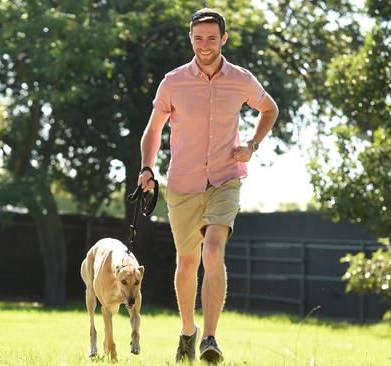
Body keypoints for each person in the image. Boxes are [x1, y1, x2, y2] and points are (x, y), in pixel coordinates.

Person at [137, 8, 279, 364]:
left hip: (226, 178)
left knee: (213, 250)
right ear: (191, 39)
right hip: (183, 183)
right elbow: (154, 131)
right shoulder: (173, 82)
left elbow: (270, 109)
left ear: (223, 39)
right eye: (198, 38)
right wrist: (147, 168)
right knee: (187, 262)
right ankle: (189, 332)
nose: (204, 45)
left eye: (211, 38)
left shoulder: (241, 79)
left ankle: (210, 338)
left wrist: (252, 145)